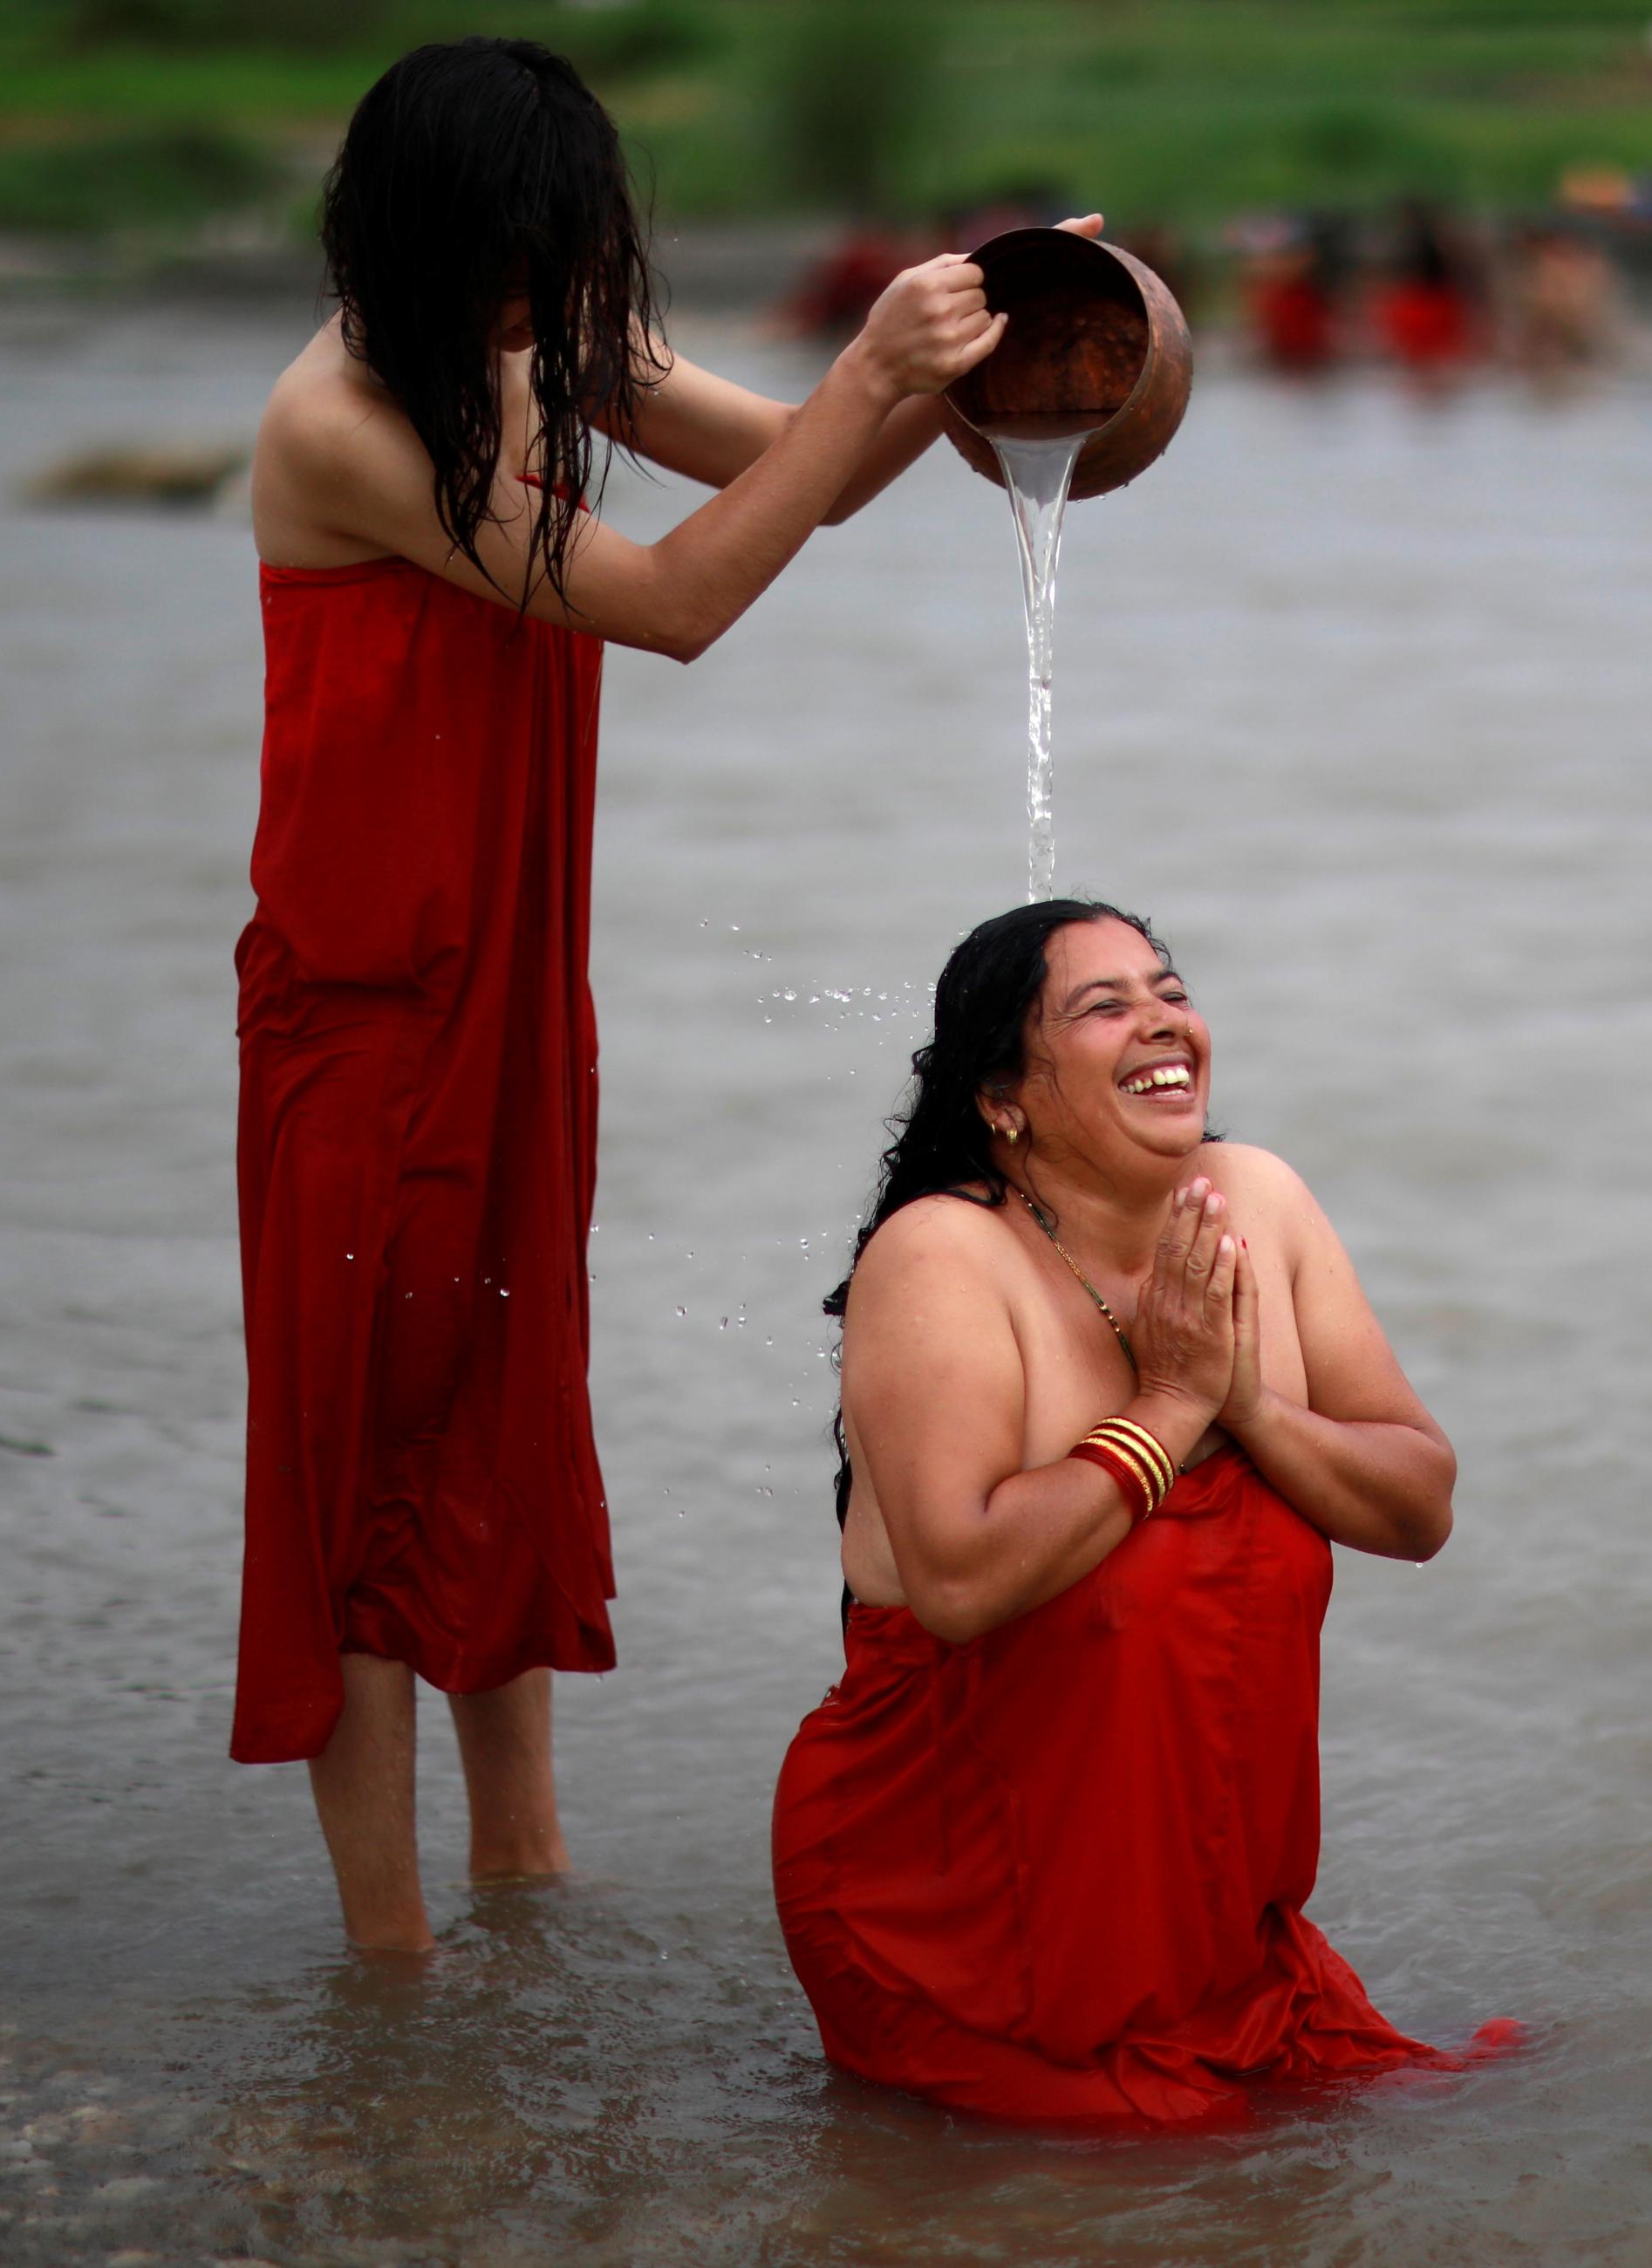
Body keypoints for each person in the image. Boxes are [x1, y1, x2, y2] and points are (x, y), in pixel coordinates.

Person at [237, 32, 1098, 1954]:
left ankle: (522, 1873)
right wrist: (869, 370)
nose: (546, 304)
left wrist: (966, 346)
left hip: (517, 989)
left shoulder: (536, 347)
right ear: (432, 244)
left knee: (496, 1403)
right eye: (520, 269)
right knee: (354, 1459)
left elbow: (816, 480)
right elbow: (681, 597)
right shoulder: (344, 422)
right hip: (363, 1015)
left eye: (565, 264)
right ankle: (389, 1963)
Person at [773, 900, 1516, 2121]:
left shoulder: (1254, 1202)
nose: (1160, 1021)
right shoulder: (942, 1257)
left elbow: (1418, 1506)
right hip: (959, 1930)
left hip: (1215, 1939)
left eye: (1167, 990)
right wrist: (1170, 1409)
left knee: (1447, 2127)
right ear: (1002, 1092)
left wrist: (1256, 1411)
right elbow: (957, 1585)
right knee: (1169, 2196)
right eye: (1102, 1006)